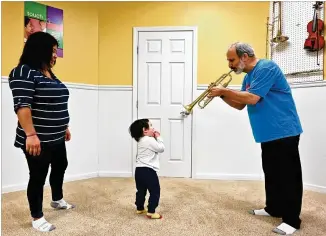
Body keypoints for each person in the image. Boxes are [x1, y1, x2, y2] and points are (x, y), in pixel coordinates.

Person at [207, 42, 303, 235]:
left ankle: (292, 220)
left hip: (284, 131)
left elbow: (252, 98)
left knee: (288, 177)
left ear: (244, 57)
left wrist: (224, 90)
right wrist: (221, 97)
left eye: (231, 59)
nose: (230, 65)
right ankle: (273, 208)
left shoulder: (266, 67)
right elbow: (240, 105)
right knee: (272, 173)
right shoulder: (249, 76)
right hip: (267, 133)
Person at [8, 31, 75, 232]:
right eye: (53, 51)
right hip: (37, 139)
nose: (56, 55)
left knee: (61, 165)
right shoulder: (23, 72)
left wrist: (64, 126)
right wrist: (31, 135)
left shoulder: (47, 72)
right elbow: (22, 106)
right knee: (38, 175)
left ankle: (57, 199)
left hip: (56, 136)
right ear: (41, 50)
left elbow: (54, 103)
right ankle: (37, 217)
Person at [128, 119, 165, 219]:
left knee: (141, 190)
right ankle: (151, 211)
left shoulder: (140, 140)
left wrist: (153, 137)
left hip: (139, 170)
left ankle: (139, 208)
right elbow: (161, 148)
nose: (153, 128)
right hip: (148, 171)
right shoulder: (149, 140)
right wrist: (158, 137)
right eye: (151, 126)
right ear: (145, 130)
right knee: (155, 190)